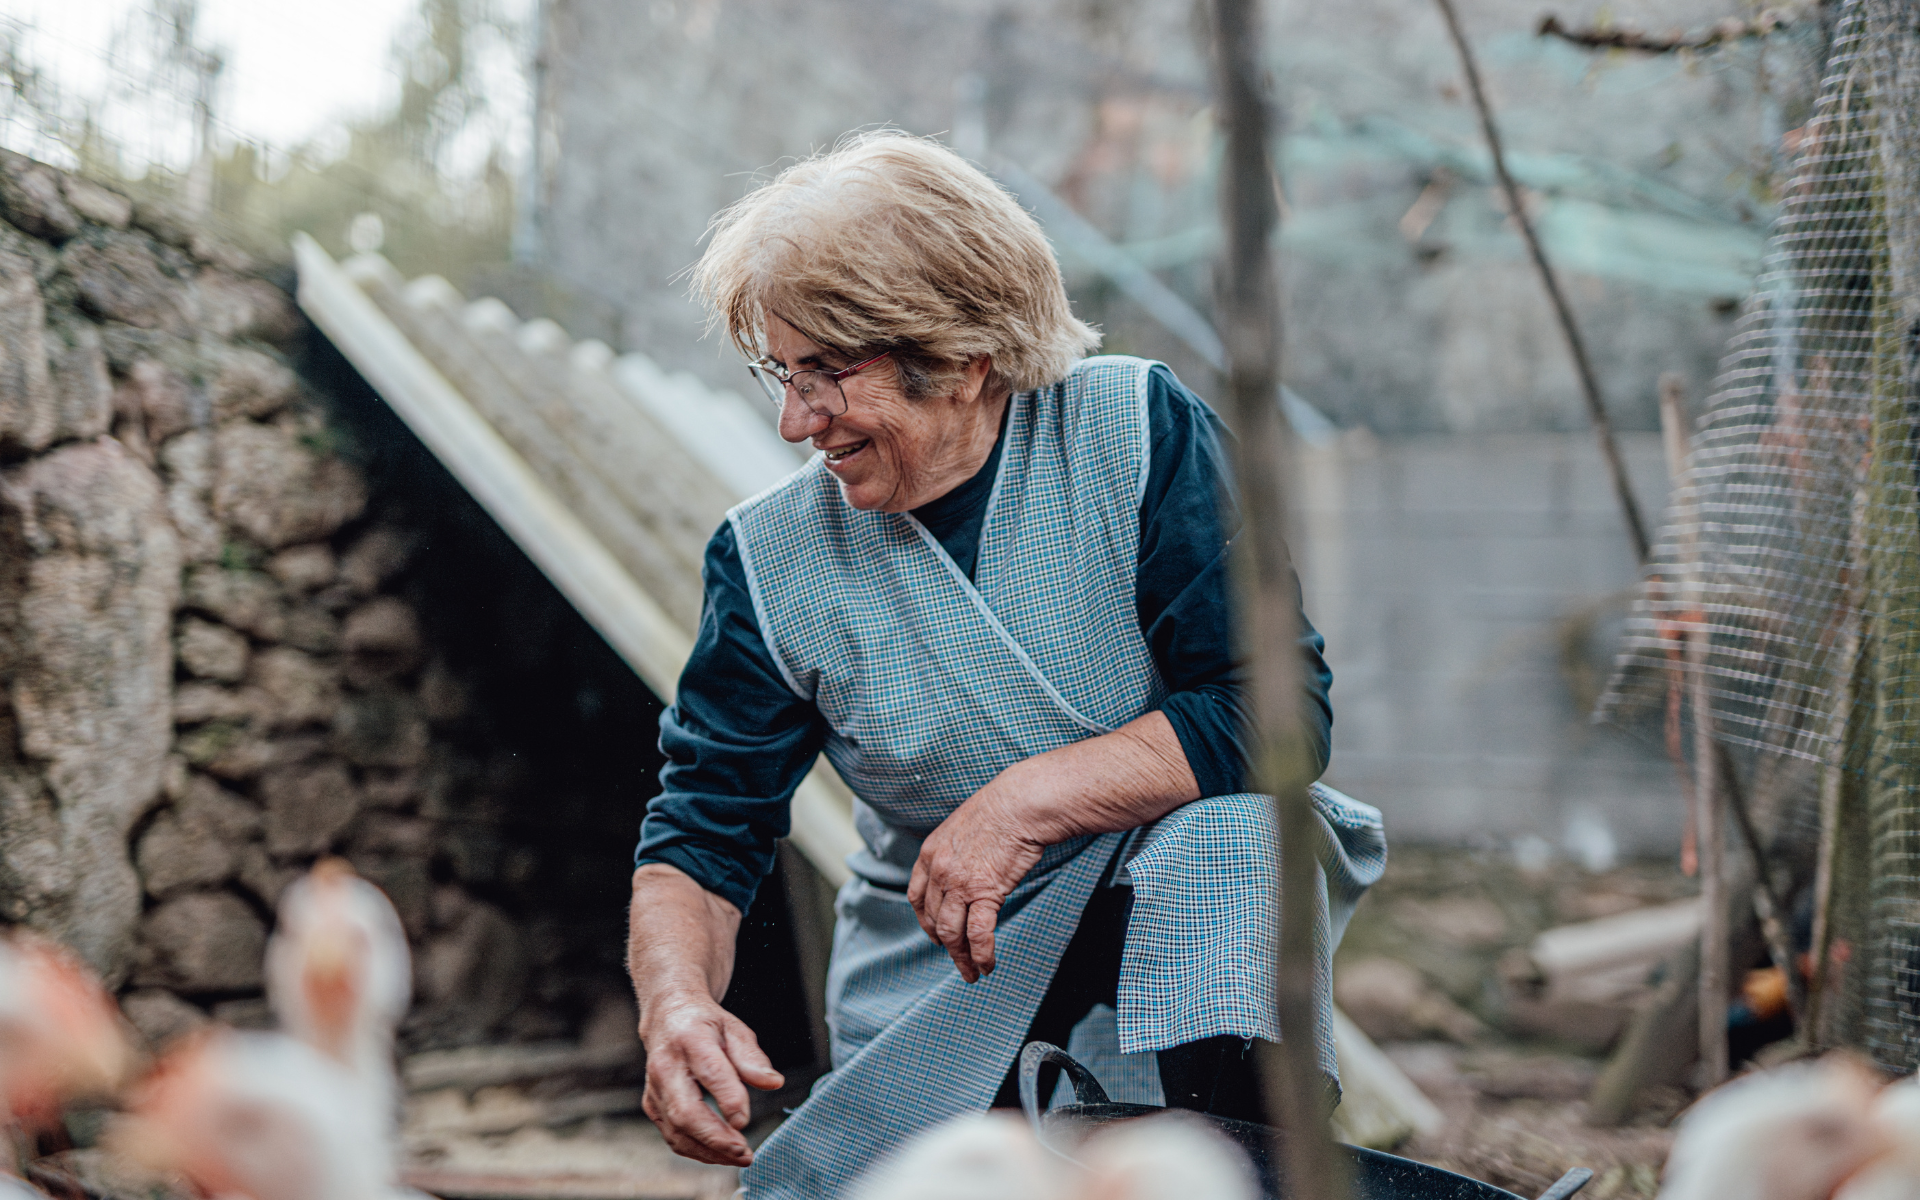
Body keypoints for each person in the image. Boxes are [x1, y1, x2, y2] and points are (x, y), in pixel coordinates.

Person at [626, 130, 1385, 1200]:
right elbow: (703, 831)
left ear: (964, 357)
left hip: (1174, 935)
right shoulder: (769, 562)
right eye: (780, 375)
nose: (796, 422)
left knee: (1236, 830)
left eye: (829, 375)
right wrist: (676, 1008)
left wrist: (1023, 803)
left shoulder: (1135, 431)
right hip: (948, 963)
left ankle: (1240, 1168)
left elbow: (1276, 713)